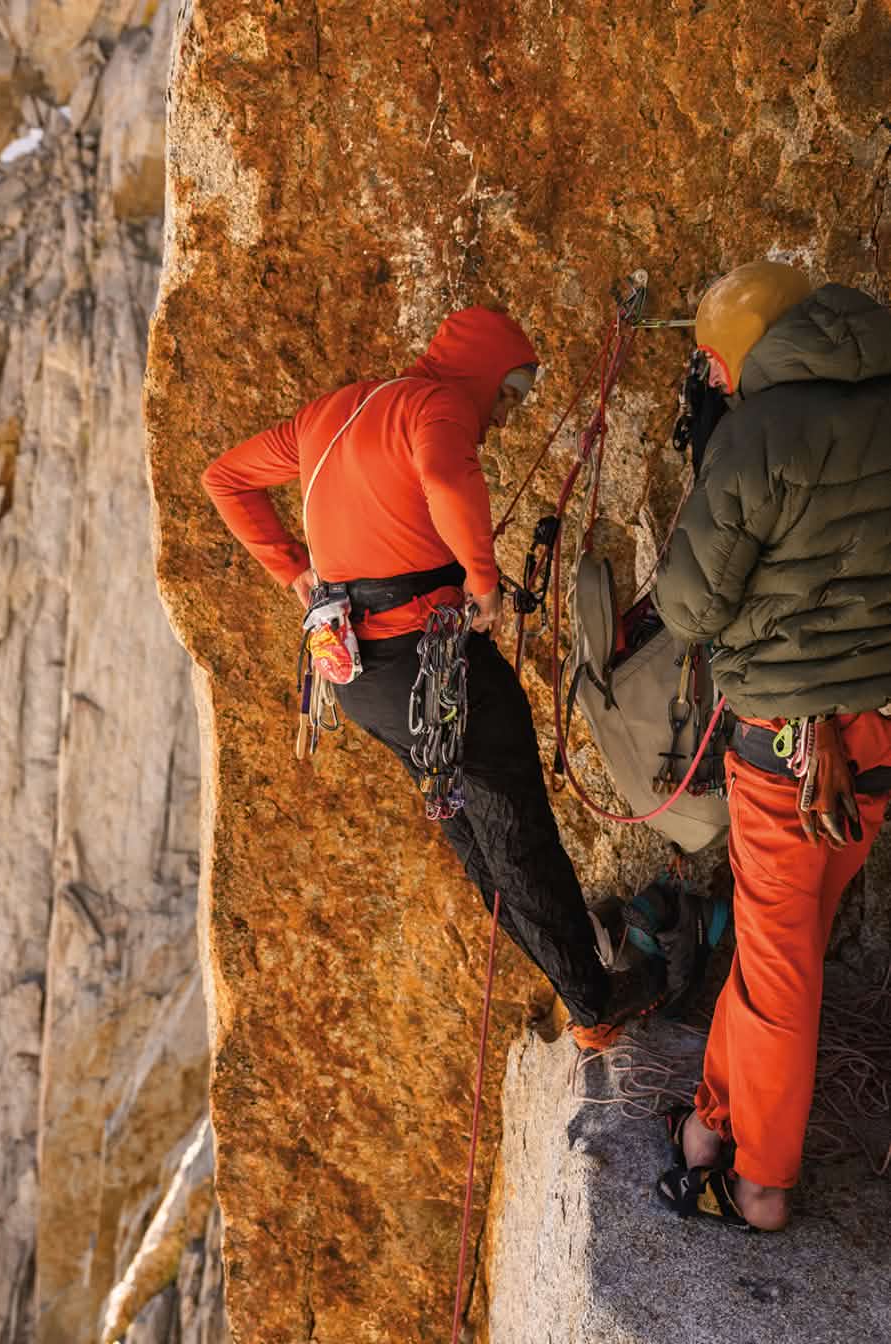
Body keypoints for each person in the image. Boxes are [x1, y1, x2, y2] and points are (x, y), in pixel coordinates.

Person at [202, 305, 652, 1045]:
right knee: (512, 824)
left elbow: (226, 478)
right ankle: (596, 1001)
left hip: (359, 674)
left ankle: (574, 970)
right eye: (508, 397)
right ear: (481, 376)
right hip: (430, 662)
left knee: (470, 822)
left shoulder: (333, 412)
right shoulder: (435, 405)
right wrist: (483, 585)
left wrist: (294, 571)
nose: (505, 420)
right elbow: (444, 478)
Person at [653, 261, 891, 1230]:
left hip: (785, 746)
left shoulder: (756, 440)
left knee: (783, 963)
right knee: (774, 944)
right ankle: (715, 1124)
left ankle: (761, 1185)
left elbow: (687, 601)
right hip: (874, 737)